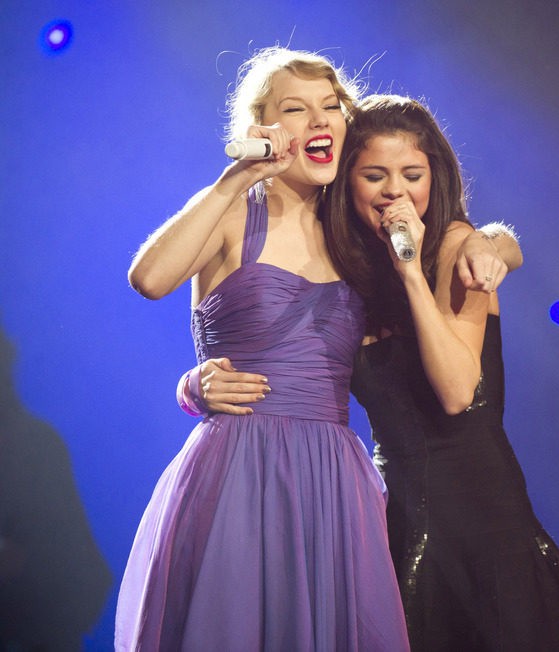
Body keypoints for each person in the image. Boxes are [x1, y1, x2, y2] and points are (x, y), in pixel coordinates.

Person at [189, 94, 559, 651]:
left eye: (412, 175)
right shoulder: (349, 275)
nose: (395, 191)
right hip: (391, 520)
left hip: (482, 520)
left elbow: (458, 392)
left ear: (434, 178)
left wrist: (429, 266)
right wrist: (195, 385)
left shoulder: (456, 249)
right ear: (349, 183)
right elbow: (289, 367)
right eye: (374, 175)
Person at [115, 47, 412, 651]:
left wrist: (496, 244)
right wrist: (235, 179)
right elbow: (149, 280)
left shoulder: (357, 233)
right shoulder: (233, 213)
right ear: (264, 127)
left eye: (331, 106)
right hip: (240, 472)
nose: (320, 121)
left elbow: (453, 238)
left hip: (332, 480)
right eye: (296, 110)